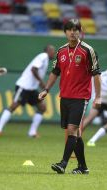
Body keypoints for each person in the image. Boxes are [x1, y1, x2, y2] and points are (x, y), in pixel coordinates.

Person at [39, 19, 101, 174]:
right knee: (76, 134)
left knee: (72, 130)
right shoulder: (61, 51)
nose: (73, 32)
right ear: (65, 32)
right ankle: (83, 167)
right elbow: (55, 72)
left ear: (80, 31)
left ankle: (63, 164)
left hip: (81, 97)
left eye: (76, 29)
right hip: (65, 96)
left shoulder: (88, 50)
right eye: (69, 29)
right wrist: (46, 89)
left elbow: (96, 75)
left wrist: (98, 96)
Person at [0, 45, 55, 138]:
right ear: (48, 51)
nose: (54, 53)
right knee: (13, 106)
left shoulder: (45, 59)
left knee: (42, 107)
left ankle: (32, 132)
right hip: (24, 86)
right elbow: (33, 69)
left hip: (32, 89)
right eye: (53, 51)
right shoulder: (43, 56)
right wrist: (41, 83)